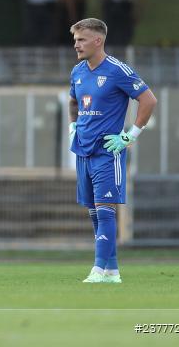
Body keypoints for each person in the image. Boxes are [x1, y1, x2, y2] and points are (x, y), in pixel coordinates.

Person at [68, 18, 157, 283]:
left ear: (98, 40)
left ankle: (97, 270)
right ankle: (112, 271)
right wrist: (73, 125)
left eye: (81, 39)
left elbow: (148, 99)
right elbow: (74, 100)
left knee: (105, 208)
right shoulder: (78, 71)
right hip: (83, 148)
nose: (77, 45)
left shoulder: (118, 70)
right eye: (75, 40)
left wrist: (130, 136)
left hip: (108, 150)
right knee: (94, 211)